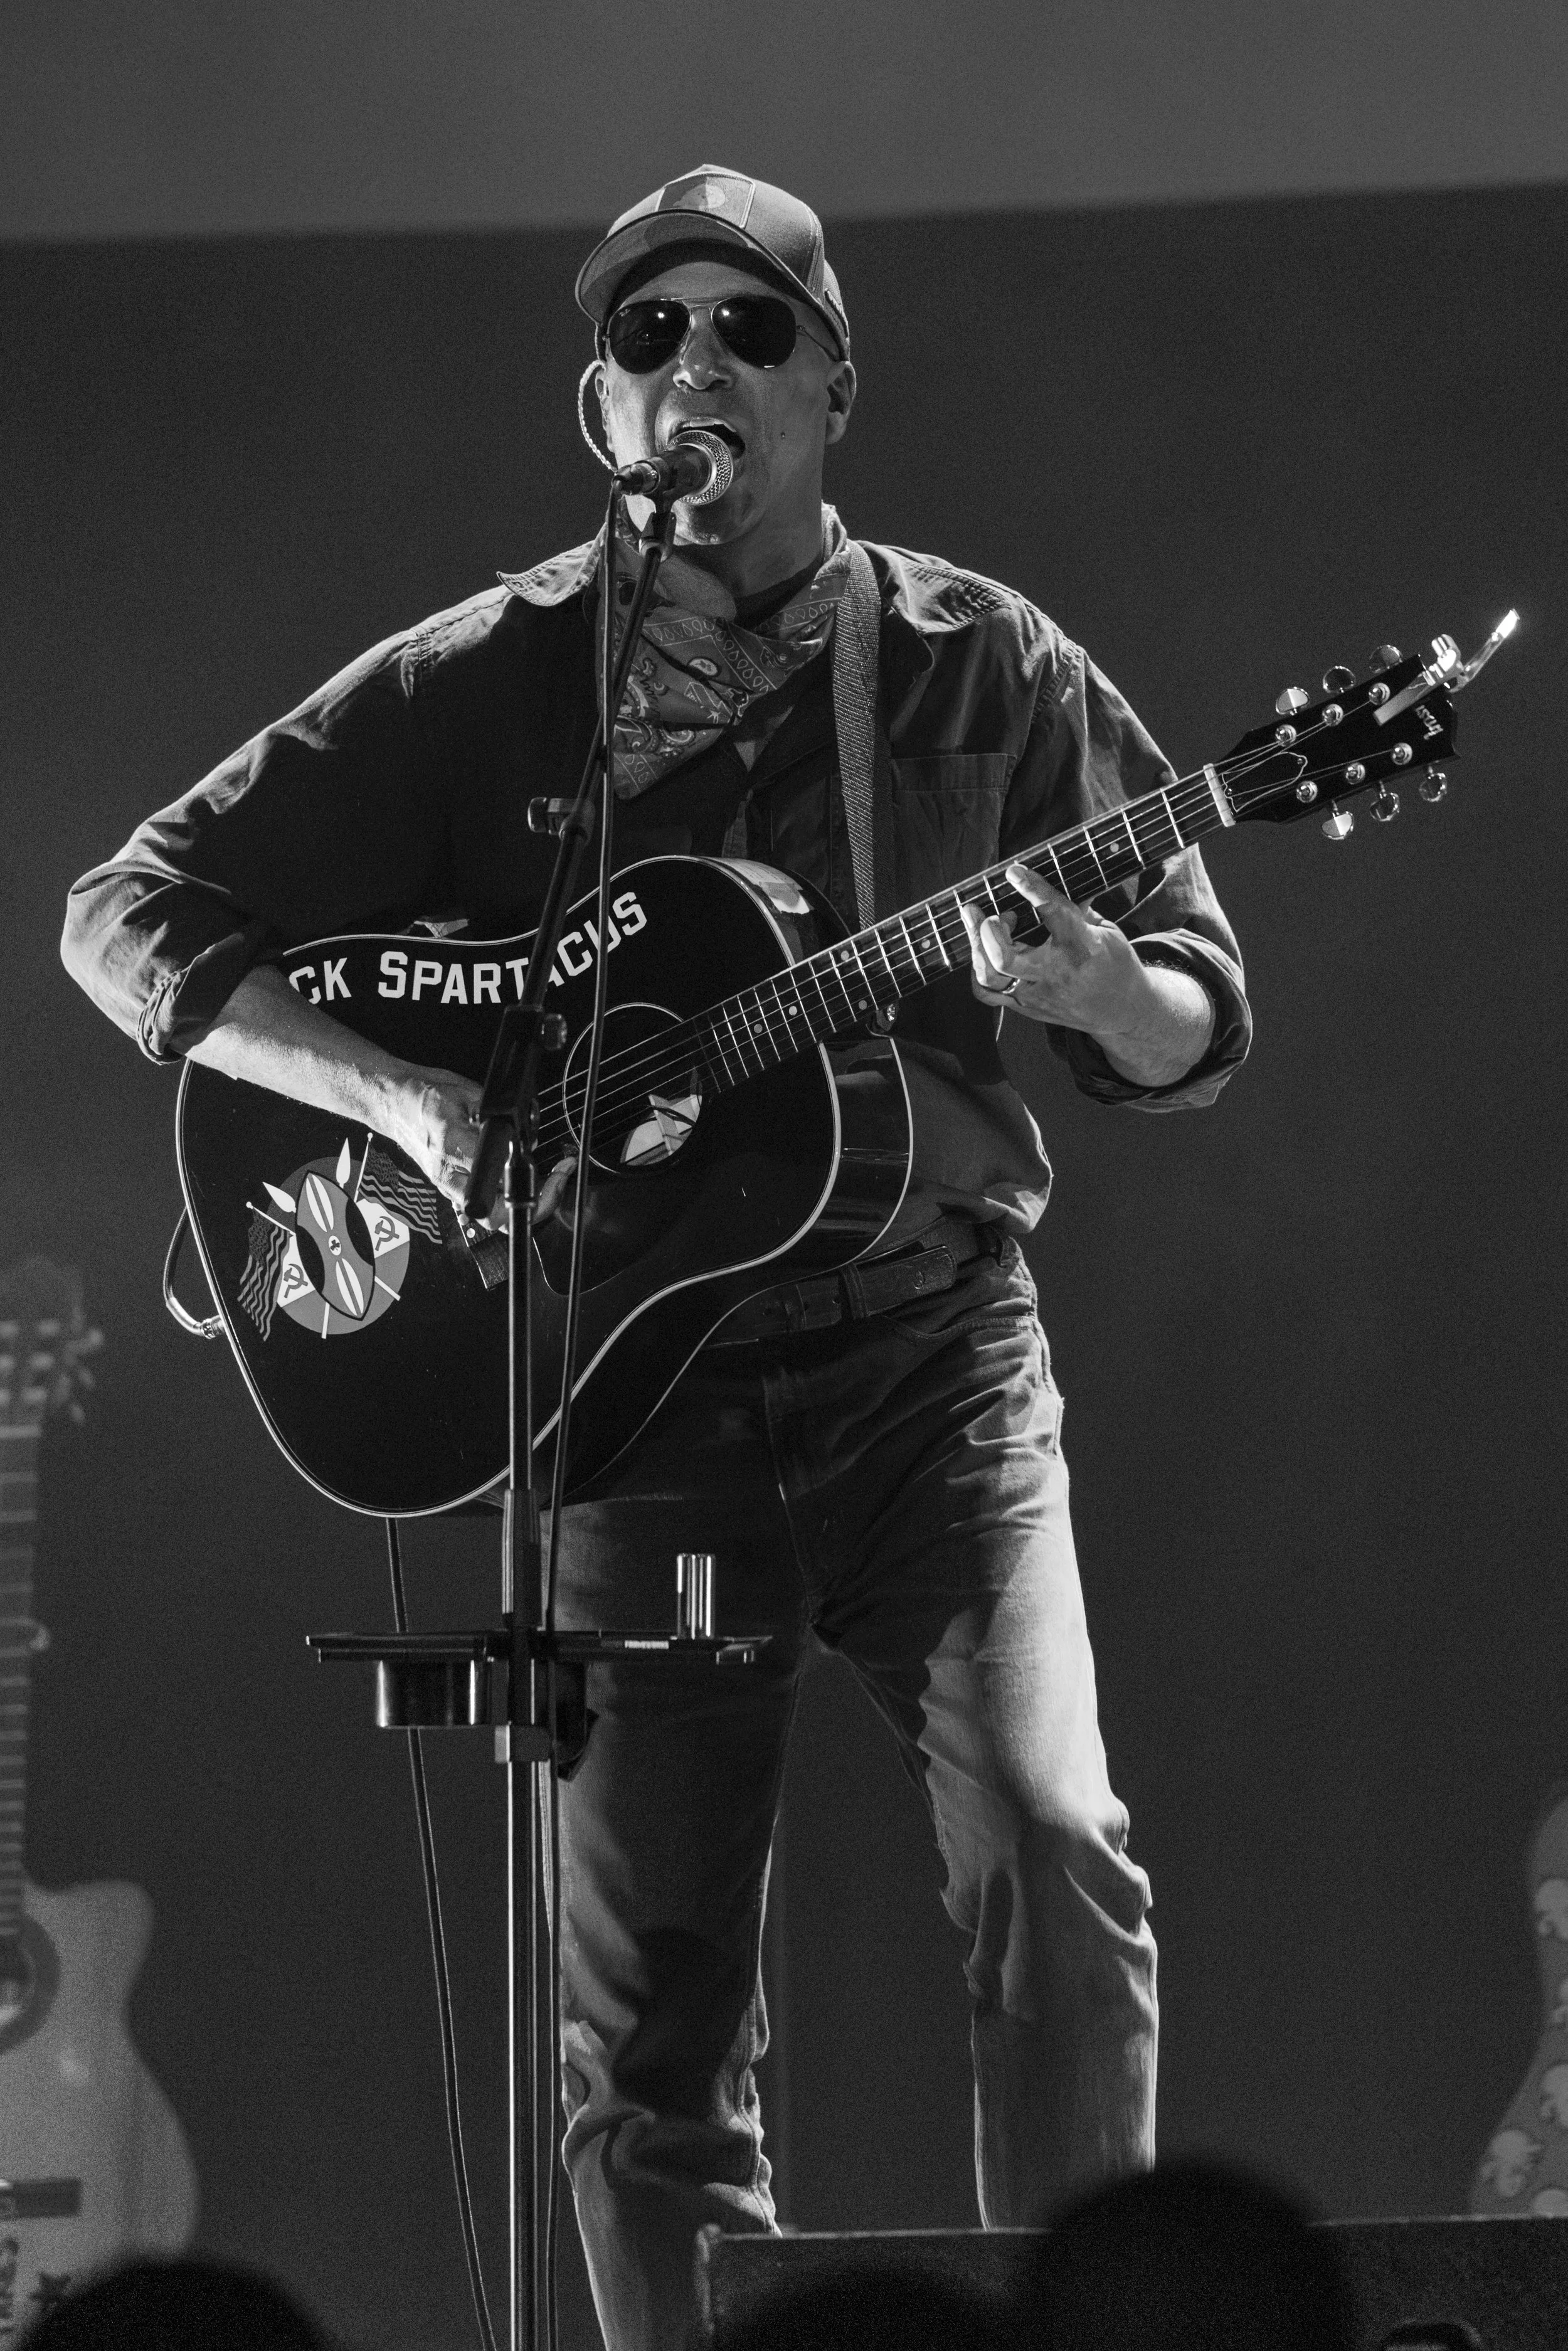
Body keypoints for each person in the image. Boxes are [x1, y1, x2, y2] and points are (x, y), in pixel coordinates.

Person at [61, 167, 1251, 2351]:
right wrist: (402, 1101)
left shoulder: (984, 664)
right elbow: (125, 911)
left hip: (930, 1369)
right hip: (618, 1397)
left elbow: (1190, 1011)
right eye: (647, 336)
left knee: (1054, 1866)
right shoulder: (488, 678)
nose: (695, 364)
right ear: (597, 407)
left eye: (748, 328)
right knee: (651, 2015)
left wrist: (1098, 992)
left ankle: (1110, 2339)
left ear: (833, 385)